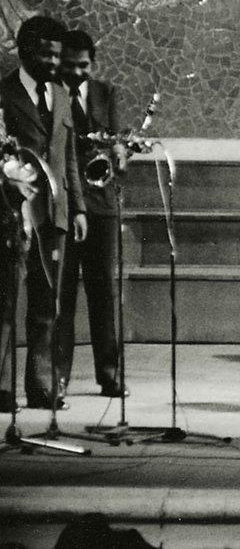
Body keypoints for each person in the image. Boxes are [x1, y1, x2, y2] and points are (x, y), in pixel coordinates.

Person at [0, 15, 87, 412]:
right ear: (25, 51)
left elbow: (69, 158)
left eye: (58, 55)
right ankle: (1, 388)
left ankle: (41, 385)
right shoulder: (4, 94)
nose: (54, 62)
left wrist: (80, 208)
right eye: (47, 54)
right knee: (5, 303)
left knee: (47, 304)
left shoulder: (63, 95)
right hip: (12, 215)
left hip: (56, 214)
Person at [57, 30, 125, 399]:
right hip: (66, 206)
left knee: (104, 295)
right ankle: (58, 379)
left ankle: (110, 375)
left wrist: (119, 155)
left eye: (83, 66)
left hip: (101, 207)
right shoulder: (52, 95)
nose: (77, 73)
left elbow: (116, 143)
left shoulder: (105, 94)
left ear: (92, 64)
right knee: (62, 296)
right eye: (70, 66)